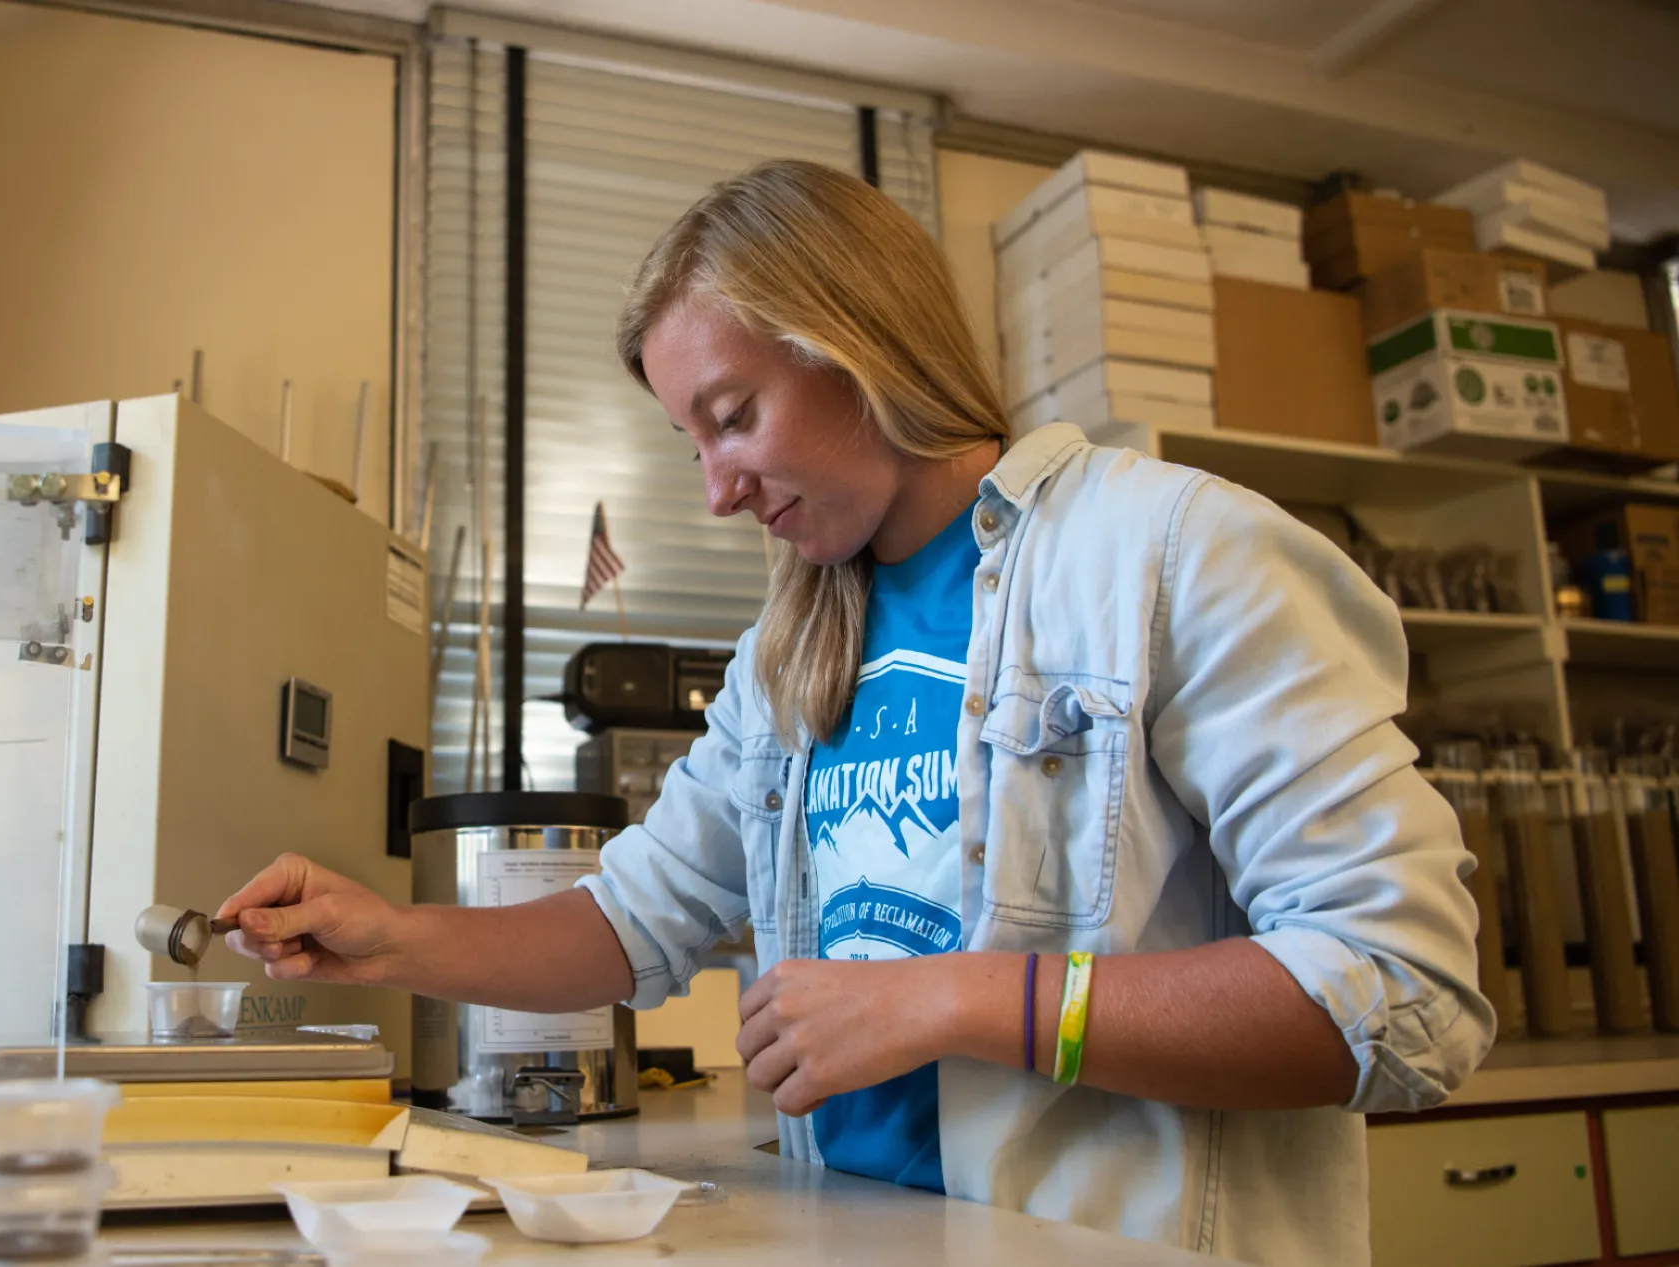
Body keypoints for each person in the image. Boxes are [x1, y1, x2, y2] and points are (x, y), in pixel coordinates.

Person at [216, 158, 1491, 1266]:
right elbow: (636, 914)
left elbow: (1398, 993)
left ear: (858, 345)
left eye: (734, 418)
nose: (716, 489)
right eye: (691, 444)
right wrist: (390, 938)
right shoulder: (789, 652)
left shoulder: (1171, 553)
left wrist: (958, 1000)